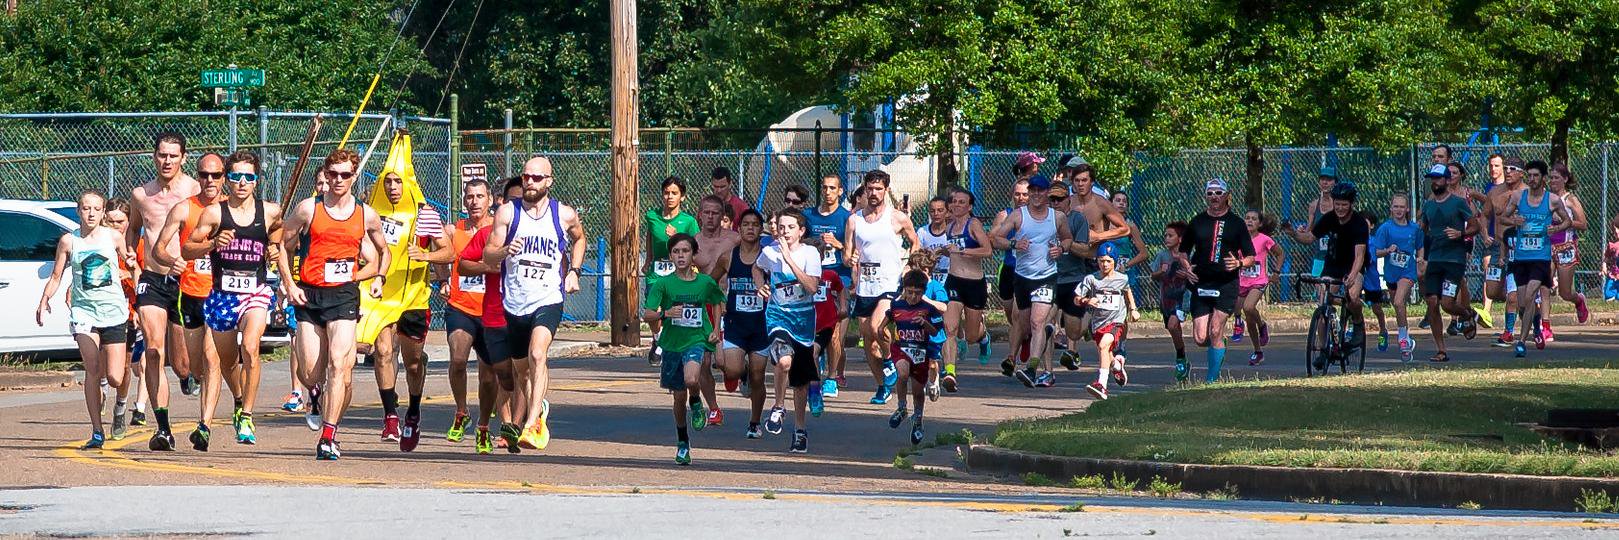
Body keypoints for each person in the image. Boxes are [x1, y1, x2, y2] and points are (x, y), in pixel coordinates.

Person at [282, 149, 394, 460]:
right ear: (325, 175)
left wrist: (377, 277)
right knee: (309, 372)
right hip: (310, 294)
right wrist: (289, 284)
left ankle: (328, 436)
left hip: (344, 295)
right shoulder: (308, 209)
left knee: (339, 363)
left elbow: (383, 252)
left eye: (345, 175)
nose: (338, 180)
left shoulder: (366, 214)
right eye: (333, 174)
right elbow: (282, 244)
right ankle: (314, 395)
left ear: (354, 177)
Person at [179, 150, 284, 448]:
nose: (242, 182)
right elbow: (187, 249)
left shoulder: (270, 210)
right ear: (228, 179)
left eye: (248, 177)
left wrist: (274, 248)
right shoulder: (214, 213)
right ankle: (239, 400)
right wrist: (212, 243)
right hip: (222, 295)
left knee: (251, 347)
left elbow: (279, 231)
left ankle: (247, 416)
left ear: (256, 180)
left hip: (256, 292)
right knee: (227, 363)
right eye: (236, 176)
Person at [485, 156, 587, 451]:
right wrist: (504, 250)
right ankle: (539, 407)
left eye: (537, 178)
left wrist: (574, 272)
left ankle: (531, 424)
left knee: (537, 354)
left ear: (549, 182)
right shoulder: (507, 213)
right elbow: (488, 256)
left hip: (548, 297)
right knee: (522, 370)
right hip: (515, 301)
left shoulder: (564, 214)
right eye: (527, 176)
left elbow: (579, 239)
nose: (530, 182)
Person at [358, 156, 451, 451]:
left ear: (408, 184)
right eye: (387, 181)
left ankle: (413, 410)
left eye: (398, 181)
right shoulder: (369, 212)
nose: (393, 187)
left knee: (412, 363)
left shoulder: (426, 215)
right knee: (383, 352)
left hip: (413, 298)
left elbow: (448, 252)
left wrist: (427, 256)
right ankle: (390, 415)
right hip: (381, 295)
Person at [36, 190, 132, 449]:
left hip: (113, 312)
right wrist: (45, 299)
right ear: (78, 211)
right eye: (86, 208)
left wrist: (132, 265)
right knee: (93, 369)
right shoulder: (69, 241)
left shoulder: (113, 236)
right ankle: (97, 431)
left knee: (114, 376)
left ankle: (119, 409)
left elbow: (129, 260)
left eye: (96, 209)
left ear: (103, 213)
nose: (90, 213)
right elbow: (56, 276)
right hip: (84, 313)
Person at [128, 131, 202, 451]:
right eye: (162, 155)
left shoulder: (195, 190)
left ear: (183, 158)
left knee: (185, 364)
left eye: (173, 155)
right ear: (154, 156)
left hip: (186, 282)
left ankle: (188, 377)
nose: (167, 160)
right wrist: (132, 259)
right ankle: (163, 430)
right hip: (153, 280)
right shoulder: (141, 195)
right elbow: (132, 229)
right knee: (155, 352)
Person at [641, 233, 725, 465]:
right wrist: (664, 314)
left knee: (691, 379)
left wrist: (716, 329)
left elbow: (717, 302)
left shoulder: (704, 282)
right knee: (678, 398)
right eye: (676, 252)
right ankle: (682, 441)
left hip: (696, 339)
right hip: (671, 344)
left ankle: (696, 403)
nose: (680, 256)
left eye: (685, 251)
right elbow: (647, 314)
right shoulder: (663, 283)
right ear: (670, 256)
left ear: (693, 255)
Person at [152, 153, 227, 410]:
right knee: (187, 366)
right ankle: (193, 377)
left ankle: (209, 421)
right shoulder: (184, 208)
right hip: (190, 291)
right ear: (198, 177)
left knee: (211, 356)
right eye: (204, 175)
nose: (209, 180)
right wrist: (172, 261)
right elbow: (158, 249)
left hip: (220, 293)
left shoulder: (232, 208)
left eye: (215, 175)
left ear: (223, 177)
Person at [458, 177, 525, 454]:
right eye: (513, 201)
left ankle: (515, 426)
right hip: (494, 313)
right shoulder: (489, 235)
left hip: (527, 311)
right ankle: (496, 421)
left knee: (526, 369)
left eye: (525, 200)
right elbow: (462, 264)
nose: (519, 206)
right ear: (502, 203)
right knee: (499, 376)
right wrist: (490, 266)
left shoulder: (543, 230)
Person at [989, 174, 1073, 388]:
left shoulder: (1057, 217)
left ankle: (1032, 369)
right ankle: (1027, 353)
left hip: (1046, 277)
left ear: (1047, 193)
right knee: (1024, 324)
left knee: (1038, 322)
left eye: (1040, 191)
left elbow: (1068, 239)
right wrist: (1014, 244)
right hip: (1022, 278)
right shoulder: (1018, 216)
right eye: (1032, 191)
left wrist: (1060, 249)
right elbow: (996, 239)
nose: (1036, 194)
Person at [844, 169, 919, 404]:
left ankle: (889, 360)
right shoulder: (854, 220)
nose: (874, 193)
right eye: (870, 189)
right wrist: (850, 259)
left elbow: (915, 242)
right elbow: (847, 254)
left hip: (889, 282)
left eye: (878, 189)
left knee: (878, 327)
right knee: (867, 338)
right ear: (865, 190)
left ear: (886, 190)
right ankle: (882, 384)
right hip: (866, 285)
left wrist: (908, 268)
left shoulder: (897, 217)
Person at [753, 209, 822, 453]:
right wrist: (761, 286)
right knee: (783, 361)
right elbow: (756, 268)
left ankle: (800, 429)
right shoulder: (770, 251)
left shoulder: (810, 253)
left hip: (803, 320)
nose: (784, 232)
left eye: (790, 227)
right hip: (777, 314)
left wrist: (789, 260)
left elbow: (812, 287)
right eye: (781, 227)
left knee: (801, 382)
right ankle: (779, 406)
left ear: (801, 231)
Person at [1286, 182, 1370, 372]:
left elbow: (1360, 256)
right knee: (1323, 305)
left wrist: (1353, 275)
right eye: (1337, 204)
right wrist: (1293, 234)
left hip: (1353, 265)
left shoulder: (1358, 224)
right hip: (1332, 265)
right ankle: (1324, 349)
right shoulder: (1329, 218)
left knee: (1353, 296)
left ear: (1351, 204)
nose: (1340, 208)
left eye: (1344, 205)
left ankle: (1357, 321)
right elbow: (1309, 238)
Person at [1180, 179, 1255, 383]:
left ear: (1226, 195)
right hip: (1201, 282)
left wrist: (1239, 263)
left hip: (1226, 283)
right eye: (1210, 193)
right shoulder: (1197, 221)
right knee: (1200, 337)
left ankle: (1211, 381)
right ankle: (1218, 343)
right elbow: (1183, 251)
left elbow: (1251, 256)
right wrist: (1187, 268)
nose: (1214, 196)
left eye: (1218, 192)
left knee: (1215, 328)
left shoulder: (1236, 223)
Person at [442, 178, 496, 444]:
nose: (474, 202)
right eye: (470, 197)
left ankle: (483, 425)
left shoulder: (500, 230)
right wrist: (442, 279)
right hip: (460, 307)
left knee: (488, 376)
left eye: (480, 196)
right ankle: (461, 411)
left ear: (491, 200)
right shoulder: (454, 230)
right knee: (458, 359)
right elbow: (440, 253)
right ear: (464, 201)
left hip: (491, 310)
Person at [1497, 160, 1569, 357]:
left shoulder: (1552, 200)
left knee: (1529, 296)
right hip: (1521, 257)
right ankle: (1536, 323)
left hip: (1540, 257)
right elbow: (1502, 218)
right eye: (1530, 176)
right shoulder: (1519, 196)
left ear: (1543, 178)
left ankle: (1521, 342)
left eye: (1536, 175)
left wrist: (1556, 228)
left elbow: (1567, 221)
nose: (1532, 179)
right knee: (1522, 303)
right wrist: (1514, 221)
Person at [712, 209, 771, 438]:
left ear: (760, 229)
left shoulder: (768, 257)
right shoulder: (728, 256)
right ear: (739, 229)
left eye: (755, 224)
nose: (750, 228)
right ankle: (742, 373)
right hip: (736, 323)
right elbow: (712, 280)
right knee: (732, 369)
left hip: (761, 325)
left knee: (759, 376)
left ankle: (754, 422)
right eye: (746, 224)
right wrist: (720, 299)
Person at [1418, 163, 1480, 362]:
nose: (1435, 182)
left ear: (1446, 180)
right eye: (1432, 179)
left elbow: (1475, 226)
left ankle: (1468, 313)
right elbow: (1423, 229)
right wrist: (1421, 252)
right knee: (1432, 302)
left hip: (1454, 259)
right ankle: (1441, 349)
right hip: (1434, 259)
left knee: (1447, 303)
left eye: (1438, 178)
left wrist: (1460, 233)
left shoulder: (1458, 202)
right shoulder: (1428, 205)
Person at [803, 175, 852, 397]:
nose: (828, 191)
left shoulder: (846, 218)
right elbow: (800, 242)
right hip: (813, 278)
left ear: (840, 191)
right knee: (814, 329)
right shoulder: (809, 216)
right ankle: (816, 366)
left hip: (838, 278)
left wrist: (838, 244)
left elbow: (852, 252)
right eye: (824, 187)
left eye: (832, 188)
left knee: (834, 333)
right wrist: (814, 244)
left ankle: (831, 378)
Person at [643, 176, 700, 365]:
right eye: (666, 193)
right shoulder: (652, 216)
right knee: (652, 310)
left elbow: (696, 246)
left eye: (674, 193)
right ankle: (658, 338)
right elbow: (650, 236)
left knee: (673, 310)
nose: (669, 197)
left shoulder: (688, 221)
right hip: (657, 272)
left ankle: (666, 345)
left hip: (679, 272)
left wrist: (677, 236)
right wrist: (648, 258)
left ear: (682, 197)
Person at [940, 187, 993, 392]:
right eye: (953, 201)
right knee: (950, 328)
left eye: (962, 202)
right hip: (954, 281)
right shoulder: (949, 226)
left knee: (970, 336)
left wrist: (962, 250)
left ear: (969, 206)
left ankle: (983, 336)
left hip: (974, 283)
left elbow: (987, 250)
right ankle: (951, 372)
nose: (956, 205)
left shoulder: (974, 225)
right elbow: (952, 252)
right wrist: (942, 252)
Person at [884, 270, 945, 445]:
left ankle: (917, 420)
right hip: (902, 348)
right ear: (904, 290)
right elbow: (886, 320)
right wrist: (882, 331)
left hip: (920, 352)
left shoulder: (928, 309)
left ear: (923, 292)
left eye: (917, 293)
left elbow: (936, 331)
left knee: (918, 392)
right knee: (902, 374)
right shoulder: (897, 306)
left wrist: (925, 324)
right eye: (909, 292)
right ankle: (902, 407)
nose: (912, 297)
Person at [103, 198, 145, 440]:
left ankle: (121, 405)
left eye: (120, 221)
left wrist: (128, 273)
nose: (115, 226)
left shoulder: (135, 246)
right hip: (98, 309)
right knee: (98, 366)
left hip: (126, 310)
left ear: (129, 222)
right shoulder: (98, 242)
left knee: (124, 366)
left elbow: (143, 277)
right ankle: (99, 398)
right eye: (110, 221)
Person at [1076, 243, 1139, 400]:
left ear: (1115, 262)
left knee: (1104, 345)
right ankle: (1116, 366)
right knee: (1106, 351)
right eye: (1101, 260)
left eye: (1108, 261)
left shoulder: (1121, 278)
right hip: (1098, 323)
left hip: (1116, 321)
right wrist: (1087, 301)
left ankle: (1102, 385)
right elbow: (1076, 299)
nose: (1104, 264)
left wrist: (1133, 309)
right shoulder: (1091, 279)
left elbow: (1127, 291)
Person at [1371, 193, 1423, 362]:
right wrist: (1387, 251)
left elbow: (1420, 246)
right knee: (1398, 306)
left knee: (1399, 301)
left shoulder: (1414, 229)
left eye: (1402, 207)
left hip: (1407, 273)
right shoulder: (1385, 228)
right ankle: (1407, 338)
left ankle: (1402, 339)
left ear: (1407, 209)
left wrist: (1420, 259)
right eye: (1396, 207)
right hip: (1391, 274)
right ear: (1391, 208)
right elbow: (1376, 252)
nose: (1399, 210)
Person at [1483, 157, 1528, 346]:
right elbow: (1484, 216)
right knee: (1492, 291)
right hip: (1498, 246)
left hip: (1521, 247)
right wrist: (1485, 233)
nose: (1508, 171)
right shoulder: (1494, 192)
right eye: (1506, 168)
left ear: (1521, 173)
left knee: (1512, 296)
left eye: (1512, 168)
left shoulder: (1528, 193)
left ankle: (1509, 331)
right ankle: (1521, 302)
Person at [1051, 181, 1093, 372]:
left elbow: (1085, 250)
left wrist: (1067, 243)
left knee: (1074, 329)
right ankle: (1044, 367)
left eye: (1059, 199)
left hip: (1073, 277)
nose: (1055, 203)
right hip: (1049, 276)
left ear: (1068, 200)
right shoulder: (1043, 218)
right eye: (1051, 199)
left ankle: (1088, 318)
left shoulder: (1077, 219)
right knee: (1042, 322)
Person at [1547, 162, 1591, 326]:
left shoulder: (1570, 199)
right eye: (1551, 177)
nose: (1553, 181)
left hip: (1565, 247)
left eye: (1556, 178)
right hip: (1547, 247)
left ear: (1565, 179)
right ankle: (1544, 325)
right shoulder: (1546, 198)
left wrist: (1567, 221)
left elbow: (1583, 224)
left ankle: (1578, 300)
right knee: (1543, 286)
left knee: (1565, 293)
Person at [1150, 222, 1192, 380]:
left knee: (1173, 324)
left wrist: (1187, 272)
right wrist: (1160, 272)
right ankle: (1182, 356)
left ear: (1180, 239)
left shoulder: (1189, 254)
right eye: (1165, 235)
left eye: (1170, 235)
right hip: (1166, 299)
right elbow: (1152, 276)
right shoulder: (1162, 255)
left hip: (1183, 298)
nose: (1166, 238)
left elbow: (1197, 274)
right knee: (1173, 328)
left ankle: (1180, 359)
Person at [1237, 211, 1280, 365]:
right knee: (1248, 319)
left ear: (1260, 224)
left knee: (1248, 308)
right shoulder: (1239, 239)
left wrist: (1276, 272)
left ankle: (1262, 325)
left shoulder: (1264, 240)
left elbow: (1280, 254)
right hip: (1243, 281)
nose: (1249, 221)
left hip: (1259, 281)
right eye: (1247, 218)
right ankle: (1257, 351)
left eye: (1253, 219)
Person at [710, 167, 751, 231]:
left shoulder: (741, 207)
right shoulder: (707, 205)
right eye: (716, 186)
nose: (719, 190)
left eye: (722, 187)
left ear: (730, 184)